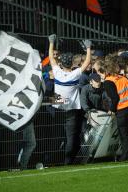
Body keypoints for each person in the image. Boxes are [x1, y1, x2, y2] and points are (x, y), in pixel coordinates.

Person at [48, 34, 92, 165]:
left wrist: (51, 42)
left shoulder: (57, 72)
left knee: (57, 137)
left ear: (61, 63)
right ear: (72, 63)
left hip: (57, 107)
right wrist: (88, 48)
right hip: (71, 109)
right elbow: (87, 62)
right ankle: (67, 161)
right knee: (70, 137)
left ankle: (54, 161)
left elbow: (51, 57)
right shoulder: (75, 74)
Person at [103, 57, 128, 161]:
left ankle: (125, 155)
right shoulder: (121, 78)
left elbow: (115, 98)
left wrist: (112, 110)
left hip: (124, 107)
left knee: (123, 132)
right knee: (126, 129)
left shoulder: (108, 81)